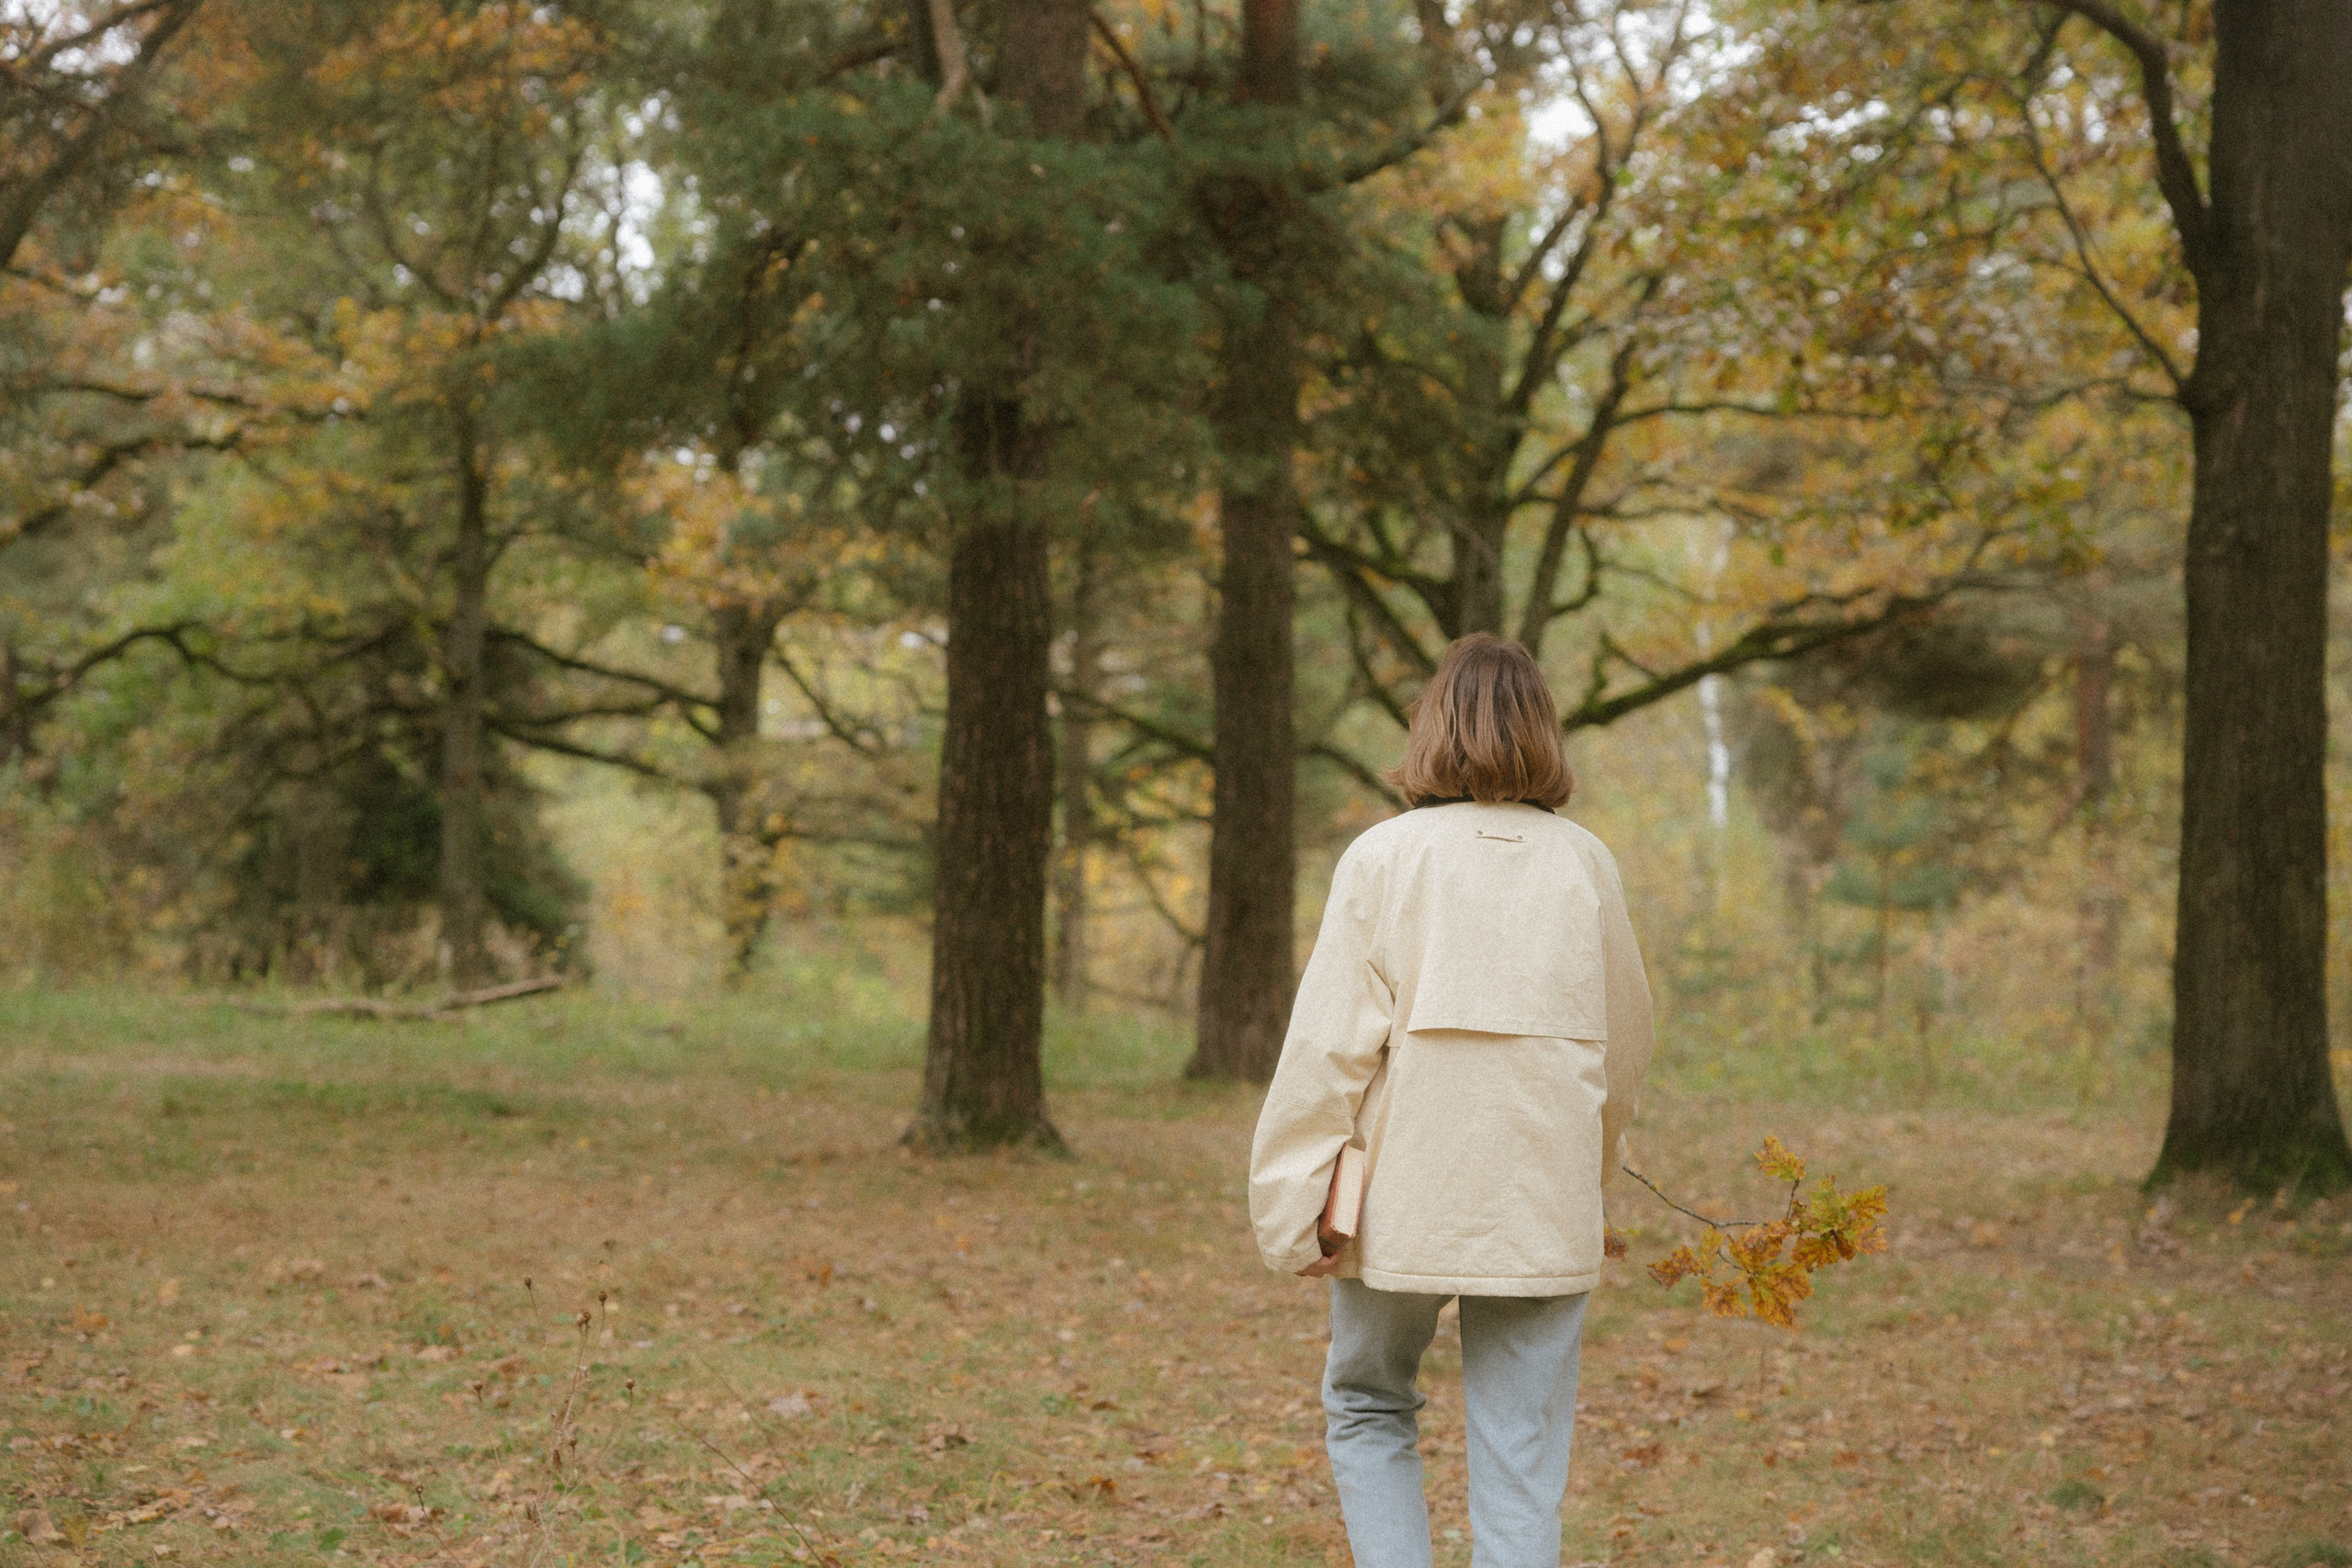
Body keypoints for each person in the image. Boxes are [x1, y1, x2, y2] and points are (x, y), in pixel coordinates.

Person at [1248, 632, 1656, 1568]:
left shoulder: (1384, 859)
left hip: (1404, 1198)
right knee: (1519, 1452)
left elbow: (1325, 1052)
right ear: (1543, 734)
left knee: (1366, 1401)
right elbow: (1623, 1053)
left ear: (1430, 726)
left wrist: (1289, 1207)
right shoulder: (1585, 865)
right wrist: (1588, 1182)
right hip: (1539, 1195)